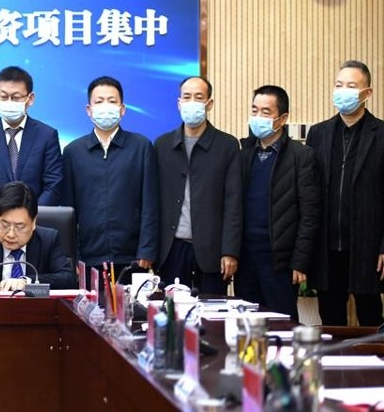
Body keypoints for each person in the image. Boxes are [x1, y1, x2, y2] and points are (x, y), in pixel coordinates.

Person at [306, 60, 384, 326]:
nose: (343, 91)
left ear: (367, 93)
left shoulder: (381, 133)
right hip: (327, 246)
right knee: (330, 320)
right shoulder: (318, 133)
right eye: (339, 85)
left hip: (367, 245)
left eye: (351, 86)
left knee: (371, 316)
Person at [61, 76, 159, 281]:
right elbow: (68, 211)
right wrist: (73, 256)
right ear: (89, 110)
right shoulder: (73, 152)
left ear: (122, 109)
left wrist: (147, 249)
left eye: (112, 101)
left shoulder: (141, 147)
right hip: (89, 257)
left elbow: (150, 204)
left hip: (132, 257)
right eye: (99, 101)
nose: (105, 106)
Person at [236, 85, 318, 318]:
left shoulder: (301, 156)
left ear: (282, 119)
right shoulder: (243, 154)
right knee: (246, 324)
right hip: (245, 259)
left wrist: (300, 262)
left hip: (279, 261)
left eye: (266, 112)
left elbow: (310, 214)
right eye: (254, 110)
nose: (257, 117)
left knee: (281, 325)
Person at [154, 76, 242, 295]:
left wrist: (230, 251)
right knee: (173, 311)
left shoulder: (227, 145)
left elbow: (234, 203)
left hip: (212, 250)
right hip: (172, 249)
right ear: (179, 103)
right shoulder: (162, 145)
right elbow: (153, 202)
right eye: (187, 97)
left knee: (212, 311)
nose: (192, 102)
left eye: (199, 97)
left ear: (209, 104)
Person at [0, 66, 62, 208]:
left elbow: (53, 185)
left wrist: (29, 216)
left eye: (16, 97)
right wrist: (2, 217)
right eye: (3, 97)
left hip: (37, 219)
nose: (9, 102)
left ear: (30, 99)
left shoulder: (47, 136)